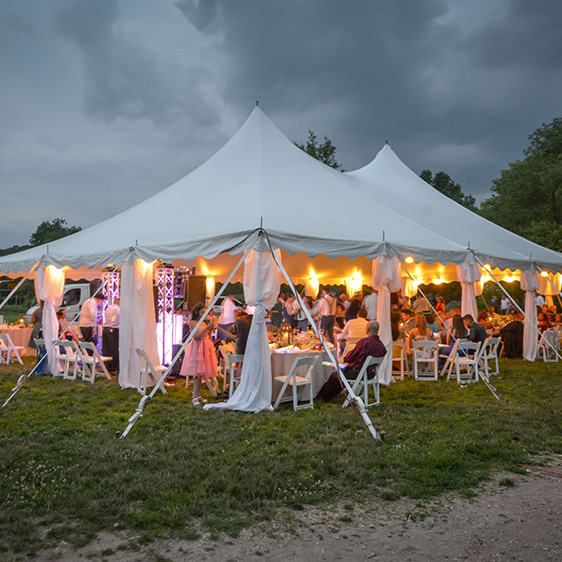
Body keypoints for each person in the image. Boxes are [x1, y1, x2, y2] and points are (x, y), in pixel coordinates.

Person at [317, 321, 387, 402]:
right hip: (370, 374)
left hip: (358, 373)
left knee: (336, 375)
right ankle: (331, 395)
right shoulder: (381, 345)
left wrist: (347, 358)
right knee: (342, 374)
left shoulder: (365, 342)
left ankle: (322, 397)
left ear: (367, 329)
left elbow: (351, 357)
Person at [180, 303, 218, 405]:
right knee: (197, 374)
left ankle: (198, 395)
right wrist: (207, 328)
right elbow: (195, 337)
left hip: (205, 347)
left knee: (201, 374)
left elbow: (207, 336)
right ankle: (194, 397)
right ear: (197, 312)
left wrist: (210, 328)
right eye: (202, 312)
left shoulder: (204, 323)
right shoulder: (193, 323)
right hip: (197, 348)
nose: (204, 314)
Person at [102, 297, 120, 372]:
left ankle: (107, 366)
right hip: (113, 329)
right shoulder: (118, 309)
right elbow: (119, 320)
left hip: (105, 329)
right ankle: (114, 367)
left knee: (106, 349)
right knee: (114, 349)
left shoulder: (108, 308)